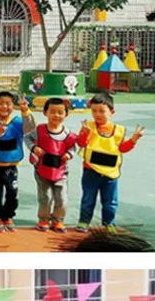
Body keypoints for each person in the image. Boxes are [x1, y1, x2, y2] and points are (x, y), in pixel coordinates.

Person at [75, 92, 144, 233]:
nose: (97, 114)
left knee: (110, 201)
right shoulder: (89, 126)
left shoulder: (118, 130)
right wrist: (84, 133)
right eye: (94, 111)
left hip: (110, 173)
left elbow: (122, 148)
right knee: (88, 198)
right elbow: (81, 143)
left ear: (112, 112)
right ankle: (84, 221)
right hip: (91, 170)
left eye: (102, 111)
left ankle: (109, 223)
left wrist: (134, 139)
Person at [25, 97, 79, 232]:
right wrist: (33, 148)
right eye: (52, 111)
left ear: (66, 115)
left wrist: (69, 154)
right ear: (45, 113)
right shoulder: (40, 130)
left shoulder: (69, 135)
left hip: (61, 172)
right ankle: (43, 219)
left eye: (60, 112)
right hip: (42, 170)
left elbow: (73, 147)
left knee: (61, 198)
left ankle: (58, 220)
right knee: (45, 197)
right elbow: (27, 138)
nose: (56, 115)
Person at [0, 92, 34, 232]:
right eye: (0, 103)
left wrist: (25, 111)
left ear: (13, 106)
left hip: (11, 166)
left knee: (12, 193)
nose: (4, 106)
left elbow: (30, 128)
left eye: (8, 103)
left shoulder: (18, 121)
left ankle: (8, 215)